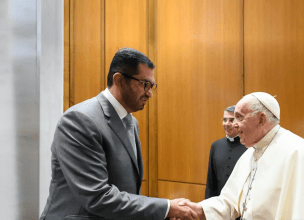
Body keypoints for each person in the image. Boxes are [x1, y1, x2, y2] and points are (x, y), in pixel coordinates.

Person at [40, 48, 197, 220]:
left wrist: (164, 211)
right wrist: (166, 208)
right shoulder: (80, 120)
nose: (150, 93)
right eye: (145, 84)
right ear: (119, 80)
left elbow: (127, 190)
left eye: (152, 86)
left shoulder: (131, 122)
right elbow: (98, 197)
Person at [178, 92, 304, 220]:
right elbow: (231, 202)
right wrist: (199, 210)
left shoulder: (298, 153)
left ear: (261, 119)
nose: (234, 125)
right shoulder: (250, 153)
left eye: (239, 118)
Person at [205, 105, 247, 202]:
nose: (227, 124)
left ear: (239, 122)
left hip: (241, 205)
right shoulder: (216, 145)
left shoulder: (248, 146)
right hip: (220, 205)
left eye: (231, 120)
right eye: (224, 120)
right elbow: (211, 182)